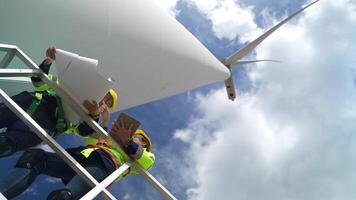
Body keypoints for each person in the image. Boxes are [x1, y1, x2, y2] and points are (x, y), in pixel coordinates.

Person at [0, 47, 118, 158]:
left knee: (4, 145)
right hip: (28, 103)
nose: (104, 102)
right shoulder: (61, 84)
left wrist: (95, 115)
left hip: (43, 127)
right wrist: (49, 60)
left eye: (108, 103)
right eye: (106, 96)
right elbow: (37, 80)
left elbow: (83, 131)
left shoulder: (88, 119)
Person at [0, 117, 155, 200]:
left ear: (144, 145)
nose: (135, 138)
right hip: (79, 155)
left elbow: (144, 159)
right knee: (35, 157)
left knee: (63, 197)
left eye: (139, 138)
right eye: (134, 135)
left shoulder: (145, 157)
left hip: (104, 165)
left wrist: (127, 142)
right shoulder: (106, 141)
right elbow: (88, 136)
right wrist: (102, 122)